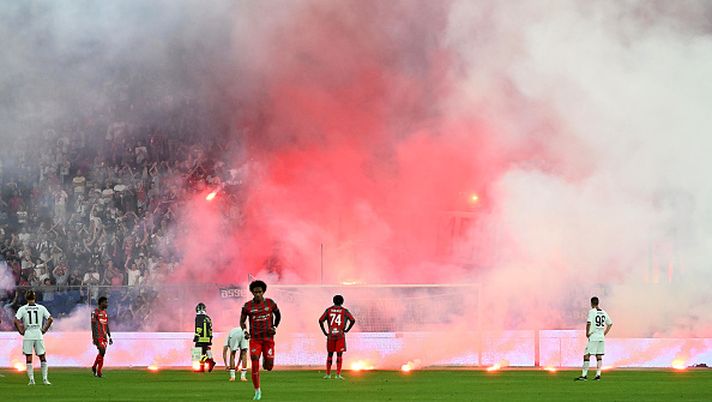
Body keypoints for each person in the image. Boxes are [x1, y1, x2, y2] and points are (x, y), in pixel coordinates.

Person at [240, 280, 281, 401]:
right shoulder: (247, 306)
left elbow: (278, 315)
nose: (257, 294)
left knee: (269, 367)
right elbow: (242, 321)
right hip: (255, 339)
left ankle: (266, 359)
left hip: (268, 339)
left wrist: (275, 327)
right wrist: (245, 332)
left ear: (263, 292)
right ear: (252, 292)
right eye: (255, 292)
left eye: (259, 292)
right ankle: (257, 390)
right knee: (254, 359)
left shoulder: (270, 303)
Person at [14, 290, 53, 385]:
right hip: (38, 333)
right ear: (35, 298)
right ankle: (45, 379)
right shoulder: (41, 308)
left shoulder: (22, 309)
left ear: (26, 298)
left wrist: (21, 331)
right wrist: (44, 330)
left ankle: (31, 380)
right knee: (42, 357)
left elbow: (16, 320)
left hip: (28, 334)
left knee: (28, 357)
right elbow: (50, 319)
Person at [575, 296, 613, 381]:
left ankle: (584, 375)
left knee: (586, 355)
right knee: (598, 355)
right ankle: (598, 375)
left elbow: (589, 323)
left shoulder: (592, 312)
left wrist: (587, 333)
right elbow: (610, 324)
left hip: (594, 336)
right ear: (598, 303)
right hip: (601, 337)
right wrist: (605, 333)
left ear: (591, 303)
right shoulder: (603, 312)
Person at [318, 294, 356, 379]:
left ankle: (328, 374)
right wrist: (346, 329)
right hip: (340, 336)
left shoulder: (328, 310)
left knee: (330, 354)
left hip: (331, 335)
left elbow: (320, 320)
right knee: (339, 355)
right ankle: (338, 375)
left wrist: (325, 331)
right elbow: (352, 320)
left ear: (333, 301)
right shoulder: (344, 311)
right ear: (342, 302)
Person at [91, 296, 113, 377]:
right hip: (98, 335)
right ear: (101, 303)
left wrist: (109, 336)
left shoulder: (105, 313)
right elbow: (93, 325)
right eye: (105, 302)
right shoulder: (95, 312)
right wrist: (94, 337)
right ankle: (99, 372)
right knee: (102, 351)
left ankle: (94, 367)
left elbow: (106, 325)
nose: (107, 304)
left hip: (104, 336)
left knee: (102, 353)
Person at [193, 302, 216, 372]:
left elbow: (199, 328)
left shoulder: (198, 317)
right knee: (204, 352)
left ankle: (210, 362)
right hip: (207, 338)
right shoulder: (208, 318)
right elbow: (210, 329)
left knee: (197, 354)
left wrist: (196, 336)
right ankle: (201, 368)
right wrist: (210, 338)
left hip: (200, 338)